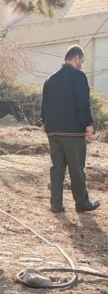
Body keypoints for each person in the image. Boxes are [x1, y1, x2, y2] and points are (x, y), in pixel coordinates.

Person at [41, 45, 99, 213]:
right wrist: (88, 123)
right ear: (76, 58)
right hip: (73, 132)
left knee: (57, 169)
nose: (82, 64)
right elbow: (82, 103)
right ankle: (81, 202)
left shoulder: (50, 79)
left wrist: (48, 125)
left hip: (53, 132)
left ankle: (56, 205)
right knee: (76, 168)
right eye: (82, 61)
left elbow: (44, 107)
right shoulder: (78, 76)